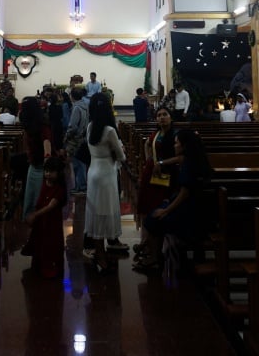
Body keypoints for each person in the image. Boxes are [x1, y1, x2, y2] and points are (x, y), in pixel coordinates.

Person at [134, 129, 213, 274]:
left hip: (189, 214)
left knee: (152, 219)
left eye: (176, 143)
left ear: (184, 146)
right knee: (157, 211)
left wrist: (166, 210)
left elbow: (184, 193)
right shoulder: (194, 158)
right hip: (196, 209)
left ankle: (154, 259)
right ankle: (152, 251)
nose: (174, 146)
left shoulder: (189, 165)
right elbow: (177, 160)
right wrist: (160, 162)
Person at [83, 91, 127, 273]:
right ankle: (102, 253)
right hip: (107, 173)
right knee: (106, 210)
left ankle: (98, 250)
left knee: (95, 211)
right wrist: (121, 149)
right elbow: (121, 156)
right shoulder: (109, 130)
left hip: (93, 172)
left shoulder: (90, 126)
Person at [134, 106, 177, 260]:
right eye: (159, 115)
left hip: (168, 175)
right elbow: (147, 144)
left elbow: (181, 156)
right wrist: (149, 161)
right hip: (152, 175)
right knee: (147, 206)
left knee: (158, 207)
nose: (161, 117)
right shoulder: (156, 134)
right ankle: (147, 242)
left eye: (165, 114)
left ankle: (154, 248)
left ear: (171, 117)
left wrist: (161, 162)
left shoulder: (176, 135)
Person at [22, 155, 68, 279]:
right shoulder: (45, 182)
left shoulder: (59, 189)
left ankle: (50, 267)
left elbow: (51, 206)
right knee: (40, 240)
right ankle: (38, 264)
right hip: (42, 220)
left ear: (58, 173)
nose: (47, 174)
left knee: (50, 243)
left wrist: (34, 214)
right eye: (46, 171)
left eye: (51, 172)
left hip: (52, 221)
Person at [20, 96, 47, 221]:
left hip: (41, 164)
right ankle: (32, 216)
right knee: (32, 195)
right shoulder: (34, 122)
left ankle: (35, 217)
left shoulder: (40, 124)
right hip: (35, 163)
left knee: (38, 196)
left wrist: (47, 158)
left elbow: (47, 142)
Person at [64, 87, 89, 193]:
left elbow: (73, 125)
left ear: (72, 96)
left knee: (76, 163)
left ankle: (81, 186)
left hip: (75, 139)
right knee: (81, 162)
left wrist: (67, 135)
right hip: (83, 136)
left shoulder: (76, 108)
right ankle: (82, 184)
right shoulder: (85, 106)